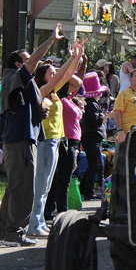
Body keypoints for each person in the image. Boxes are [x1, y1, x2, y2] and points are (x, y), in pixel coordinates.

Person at [0, 24, 64, 247]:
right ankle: (14, 232)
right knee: (24, 190)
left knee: (14, 188)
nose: (33, 62)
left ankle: (2, 232)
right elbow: (34, 60)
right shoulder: (16, 75)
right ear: (18, 64)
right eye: (27, 59)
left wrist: (38, 111)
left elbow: (23, 104)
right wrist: (51, 40)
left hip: (20, 138)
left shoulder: (21, 81)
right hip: (20, 140)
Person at [27, 41, 84, 238]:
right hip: (45, 141)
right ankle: (34, 222)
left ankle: (39, 221)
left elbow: (68, 77)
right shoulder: (40, 92)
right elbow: (63, 75)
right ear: (42, 76)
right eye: (51, 73)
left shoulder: (54, 94)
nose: (55, 74)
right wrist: (71, 58)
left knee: (46, 185)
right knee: (41, 183)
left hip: (55, 140)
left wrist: (77, 56)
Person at [46, 75, 83, 220]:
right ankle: (59, 211)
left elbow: (78, 81)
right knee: (60, 179)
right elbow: (77, 81)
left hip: (74, 142)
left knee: (62, 178)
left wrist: (79, 58)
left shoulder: (69, 100)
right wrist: (59, 71)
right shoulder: (58, 97)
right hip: (64, 141)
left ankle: (53, 210)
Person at [79, 72, 106, 201]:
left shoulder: (90, 104)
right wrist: (104, 117)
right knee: (94, 164)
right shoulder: (92, 105)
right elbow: (95, 121)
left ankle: (84, 188)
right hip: (91, 137)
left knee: (93, 164)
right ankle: (87, 191)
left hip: (90, 137)